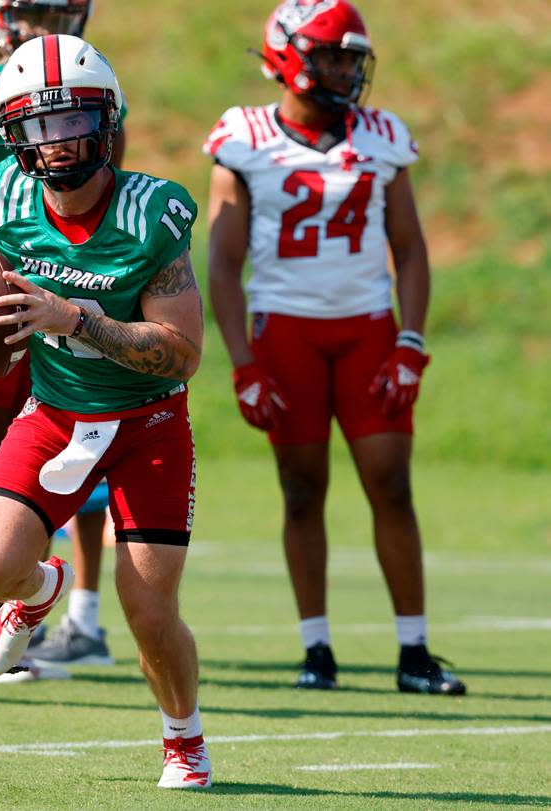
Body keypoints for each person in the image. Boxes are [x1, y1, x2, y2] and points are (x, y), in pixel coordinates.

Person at [0, 35, 212, 789]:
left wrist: (79, 320)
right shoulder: (0, 196)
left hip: (149, 426)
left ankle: (183, 737)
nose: (55, 145)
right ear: (13, 137)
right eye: (36, 128)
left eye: (71, 124)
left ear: (107, 123)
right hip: (55, 412)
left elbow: (183, 352)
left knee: (148, 609)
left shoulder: (151, 211)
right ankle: (42, 592)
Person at [204, 0, 465, 695]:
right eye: (333, 55)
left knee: (392, 483)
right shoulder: (244, 135)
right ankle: (316, 648)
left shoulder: (382, 135)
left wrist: (410, 342)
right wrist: (244, 364)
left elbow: (409, 249)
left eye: (353, 57)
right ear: (290, 55)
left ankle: (414, 651)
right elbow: (223, 262)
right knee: (300, 492)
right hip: (284, 327)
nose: (348, 69)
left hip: (366, 328)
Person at [0, 0, 120, 676]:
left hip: (67, 293)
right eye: (32, 10)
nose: (45, 24)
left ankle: (85, 616)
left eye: (57, 10)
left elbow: (106, 196)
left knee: (88, 459)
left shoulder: (91, 80)